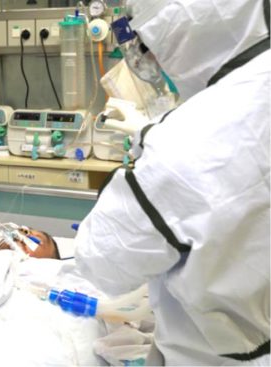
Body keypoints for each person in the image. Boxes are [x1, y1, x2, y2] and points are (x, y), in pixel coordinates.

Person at [74, 0, 270, 365]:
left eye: (145, 41)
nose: (144, 57)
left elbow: (100, 262)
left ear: (178, 30)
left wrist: (154, 146)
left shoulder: (185, 145)